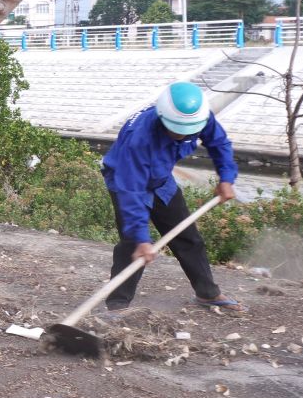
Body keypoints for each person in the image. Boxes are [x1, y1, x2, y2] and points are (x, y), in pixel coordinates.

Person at [100, 81, 242, 312]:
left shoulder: (199, 118)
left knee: (187, 236)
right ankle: (118, 303)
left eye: (188, 132)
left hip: (162, 180)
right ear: (163, 117)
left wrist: (226, 177)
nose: (182, 135)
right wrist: (142, 238)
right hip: (126, 181)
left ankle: (208, 293)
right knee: (132, 243)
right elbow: (132, 190)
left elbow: (219, 143)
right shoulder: (139, 138)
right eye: (176, 130)